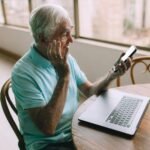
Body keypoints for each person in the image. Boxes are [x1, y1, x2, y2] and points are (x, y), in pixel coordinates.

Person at [11, 4, 131, 150]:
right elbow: (48, 127)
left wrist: (111, 75)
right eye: (64, 34)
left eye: (71, 32)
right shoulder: (22, 73)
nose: (71, 40)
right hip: (47, 144)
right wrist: (64, 76)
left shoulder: (66, 59)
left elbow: (90, 91)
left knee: (119, 139)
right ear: (43, 38)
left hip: (74, 130)